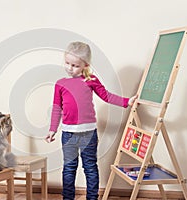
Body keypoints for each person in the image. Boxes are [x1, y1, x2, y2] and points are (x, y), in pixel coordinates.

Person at [45, 41, 137, 200]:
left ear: (85, 66)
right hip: (68, 134)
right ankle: (68, 198)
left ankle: (92, 198)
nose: (69, 68)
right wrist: (52, 129)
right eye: (67, 63)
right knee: (69, 168)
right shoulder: (60, 84)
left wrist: (126, 101)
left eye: (75, 65)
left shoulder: (91, 80)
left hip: (89, 133)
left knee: (90, 167)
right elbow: (56, 108)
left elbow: (106, 96)